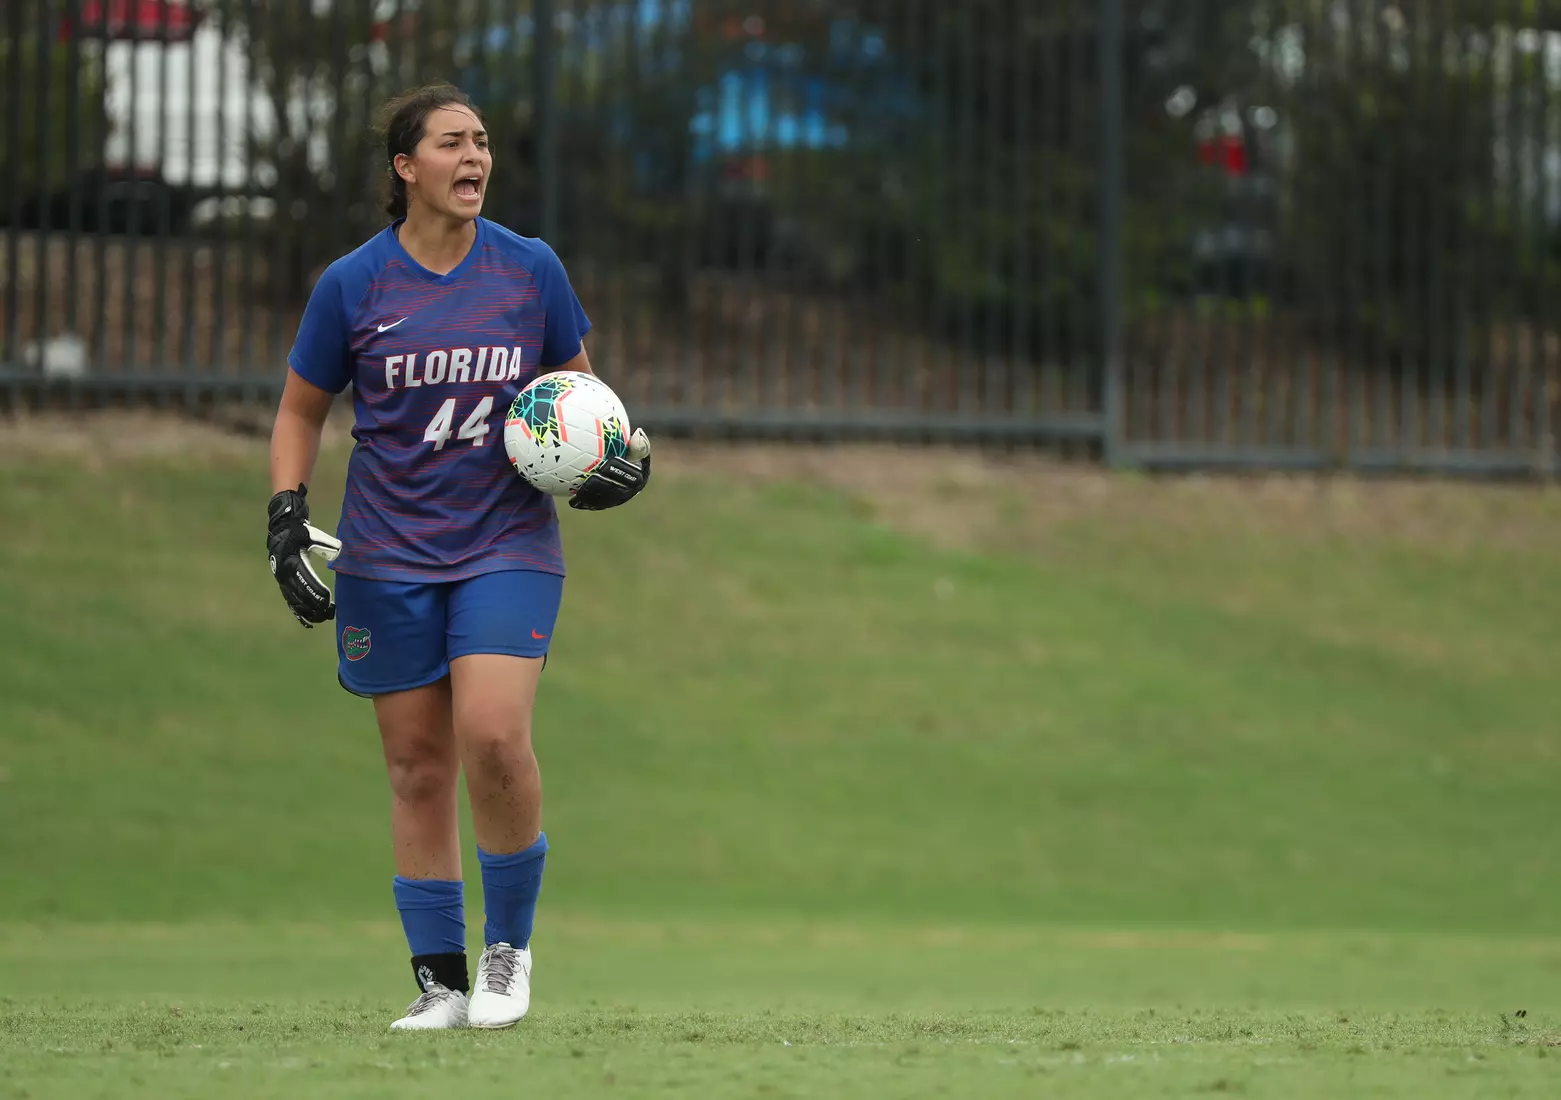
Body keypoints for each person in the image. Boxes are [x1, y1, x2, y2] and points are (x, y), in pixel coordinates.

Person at [265, 83, 650, 1031]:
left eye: (481, 141)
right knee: (416, 766)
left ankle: (507, 957)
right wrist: (284, 517)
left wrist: (619, 459)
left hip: (503, 543)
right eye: (451, 144)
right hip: (386, 553)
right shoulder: (353, 285)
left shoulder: (530, 269)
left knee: (491, 735)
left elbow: (581, 398)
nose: (474, 158)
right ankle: (439, 982)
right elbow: (300, 411)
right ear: (407, 169)